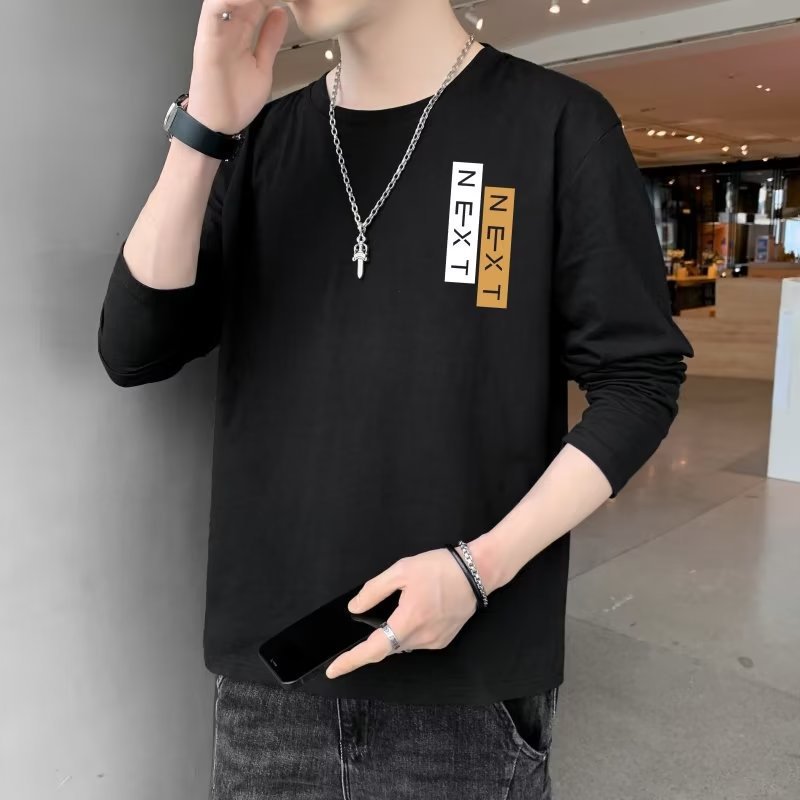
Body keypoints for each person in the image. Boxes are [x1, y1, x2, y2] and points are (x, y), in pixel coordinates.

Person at [96, 0, 694, 797]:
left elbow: (639, 381)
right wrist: (204, 128)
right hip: (273, 688)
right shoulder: (261, 141)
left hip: (466, 688)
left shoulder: (556, 123)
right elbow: (135, 348)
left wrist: (478, 569)